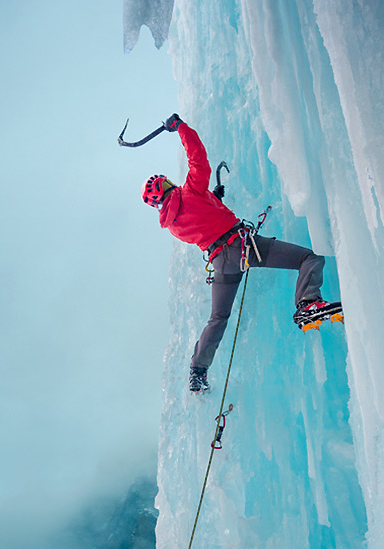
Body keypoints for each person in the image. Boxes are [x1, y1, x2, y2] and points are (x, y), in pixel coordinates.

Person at [142, 114, 341, 393]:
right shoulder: (189, 192)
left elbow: (201, 222)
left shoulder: (172, 225)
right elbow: (198, 158)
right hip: (242, 247)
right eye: (165, 183)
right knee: (309, 258)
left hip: (222, 263)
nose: (169, 184)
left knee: (218, 318)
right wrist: (180, 128)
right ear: (164, 187)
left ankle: (197, 371)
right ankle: (308, 304)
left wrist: (213, 199)